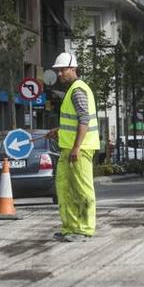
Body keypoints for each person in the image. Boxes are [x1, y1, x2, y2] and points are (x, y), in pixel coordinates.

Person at [45, 52, 100, 242]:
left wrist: (76, 147)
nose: (59, 74)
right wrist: (59, 131)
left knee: (82, 190)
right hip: (68, 148)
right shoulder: (72, 90)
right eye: (58, 71)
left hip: (80, 150)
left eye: (62, 70)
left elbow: (84, 119)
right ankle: (70, 228)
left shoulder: (78, 90)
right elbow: (76, 121)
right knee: (65, 189)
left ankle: (84, 230)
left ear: (73, 69)